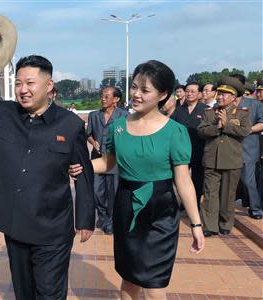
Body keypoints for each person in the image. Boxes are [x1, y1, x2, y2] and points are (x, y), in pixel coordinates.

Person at [0, 55, 95, 299]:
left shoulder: (70, 125)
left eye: (30, 83)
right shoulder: (3, 114)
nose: (23, 90)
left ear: (48, 86)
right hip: (15, 225)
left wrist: (85, 218)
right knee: (24, 293)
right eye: (18, 83)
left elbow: (83, 172)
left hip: (53, 229)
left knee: (50, 293)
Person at [70, 60, 204, 299]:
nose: (136, 94)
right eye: (134, 87)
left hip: (160, 211)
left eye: (145, 90)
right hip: (126, 208)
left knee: (153, 285)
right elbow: (110, 162)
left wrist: (196, 224)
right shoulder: (118, 128)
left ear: (163, 94)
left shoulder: (175, 132)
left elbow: (183, 181)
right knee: (130, 279)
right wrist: (83, 168)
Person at [197, 76, 251, 236]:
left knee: (228, 195)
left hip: (231, 160)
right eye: (219, 93)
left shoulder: (242, 114)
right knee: (209, 194)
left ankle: (225, 223)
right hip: (211, 159)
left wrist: (226, 125)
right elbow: (201, 131)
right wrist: (217, 126)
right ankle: (209, 226)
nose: (220, 97)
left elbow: (244, 131)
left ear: (233, 97)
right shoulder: (209, 113)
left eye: (224, 94)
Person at [86, 86, 128, 235]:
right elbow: (88, 134)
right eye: (102, 96)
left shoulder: (124, 116)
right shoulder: (94, 115)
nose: (103, 99)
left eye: (107, 96)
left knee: (113, 191)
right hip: (97, 159)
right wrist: (93, 142)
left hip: (114, 160)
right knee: (96, 190)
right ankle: (102, 215)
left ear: (116, 99)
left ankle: (110, 220)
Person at [230, 74, 263, 219]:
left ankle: (254, 208)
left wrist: (247, 129)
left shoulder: (255, 104)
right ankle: (224, 209)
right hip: (229, 148)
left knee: (248, 180)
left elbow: (262, 123)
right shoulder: (225, 103)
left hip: (248, 148)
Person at [172, 82, 208, 206]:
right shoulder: (178, 110)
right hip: (182, 151)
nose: (189, 94)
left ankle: (195, 203)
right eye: (187, 91)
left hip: (199, 150)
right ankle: (184, 202)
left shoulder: (205, 110)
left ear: (199, 94)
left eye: (193, 91)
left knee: (198, 179)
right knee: (180, 178)